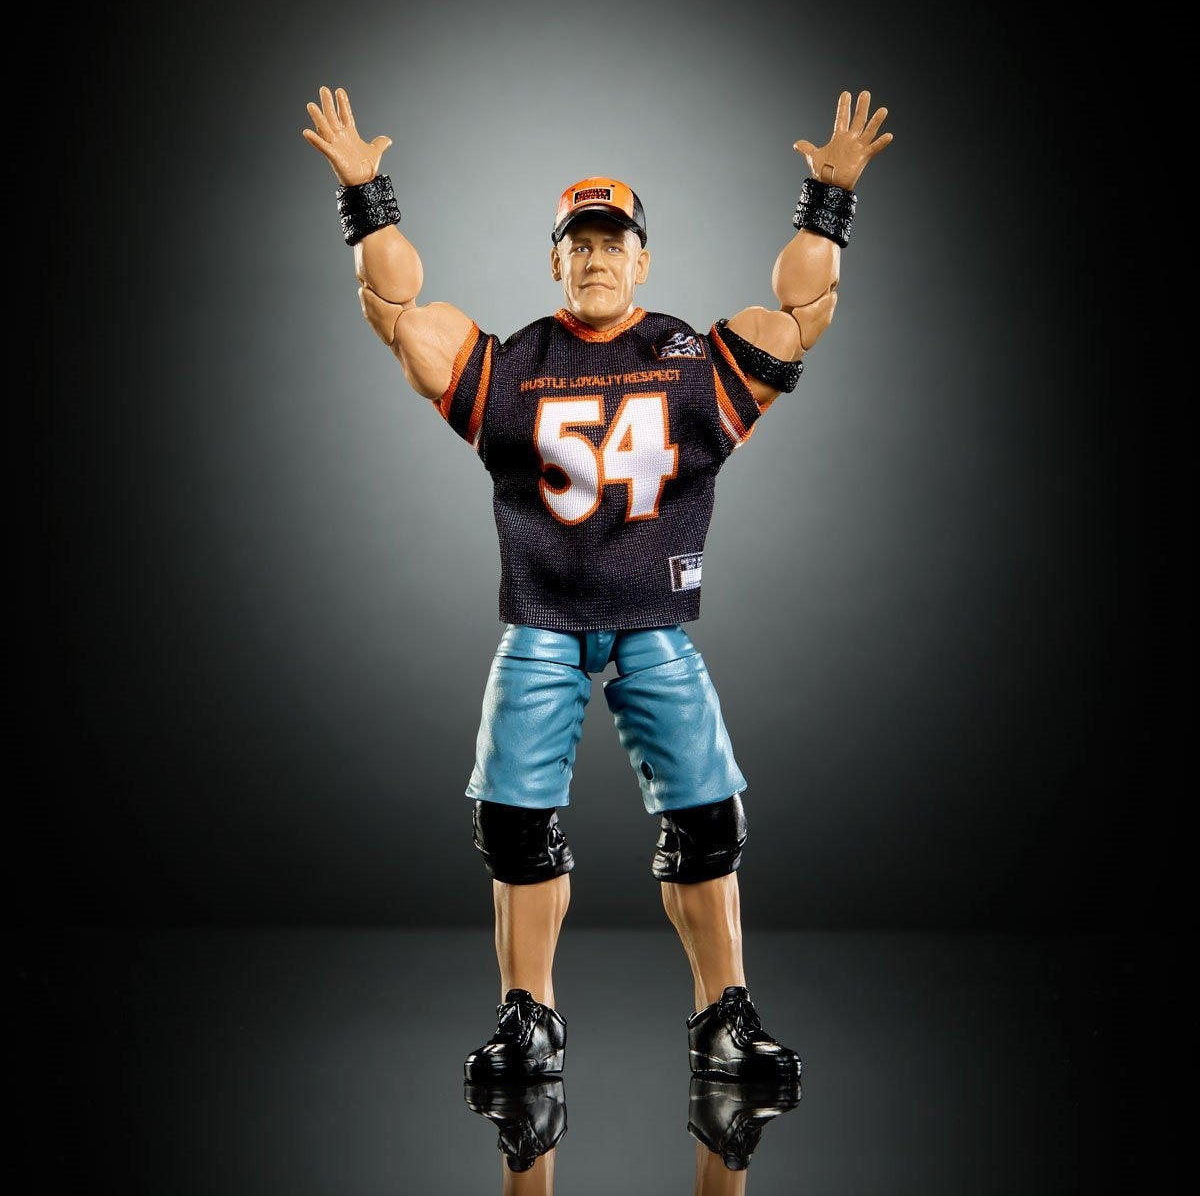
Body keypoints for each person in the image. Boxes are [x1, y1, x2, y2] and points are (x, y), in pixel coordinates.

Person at [303, 84, 891, 1084]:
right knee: (512, 824)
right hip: (544, 620)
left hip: (652, 619)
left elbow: (804, 312)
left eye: (614, 242)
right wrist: (366, 196)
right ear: (556, 259)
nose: (597, 258)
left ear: (642, 258)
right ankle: (528, 1016)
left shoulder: (687, 360)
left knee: (709, 818)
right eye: (580, 243)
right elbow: (395, 314)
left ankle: (724, 1016)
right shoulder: (515, 366)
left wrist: (827, 202)